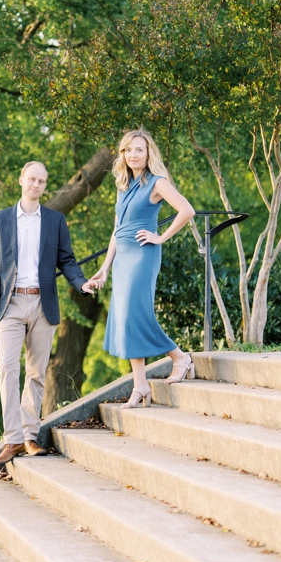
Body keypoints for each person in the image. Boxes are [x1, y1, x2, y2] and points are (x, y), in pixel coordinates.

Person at [0, 161, 93, 467]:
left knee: (36, 372)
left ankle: (29, 436)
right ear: (21, 180)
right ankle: (12, 439)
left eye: (42, 181)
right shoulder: (1, 220)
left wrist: (81, 283)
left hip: (43, 304)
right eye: (31, 179)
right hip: (10, 306)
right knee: (7, 368)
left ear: (45, 186)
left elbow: (66, 260)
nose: (36, 184)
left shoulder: (55, 221)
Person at [84, 129, 197, 406]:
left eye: (139, 150)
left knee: (137, 314)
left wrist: (160, 236)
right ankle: (140, 384)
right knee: (126, 318)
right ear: (123, 154)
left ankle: (180, 357)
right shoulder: (122, 186)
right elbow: (117, 229)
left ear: (148, 154)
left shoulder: (157, 183)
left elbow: (187, 210)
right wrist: (106, 267)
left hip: (143, 255)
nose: (133, 155)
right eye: (128, 150)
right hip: (121, 259)